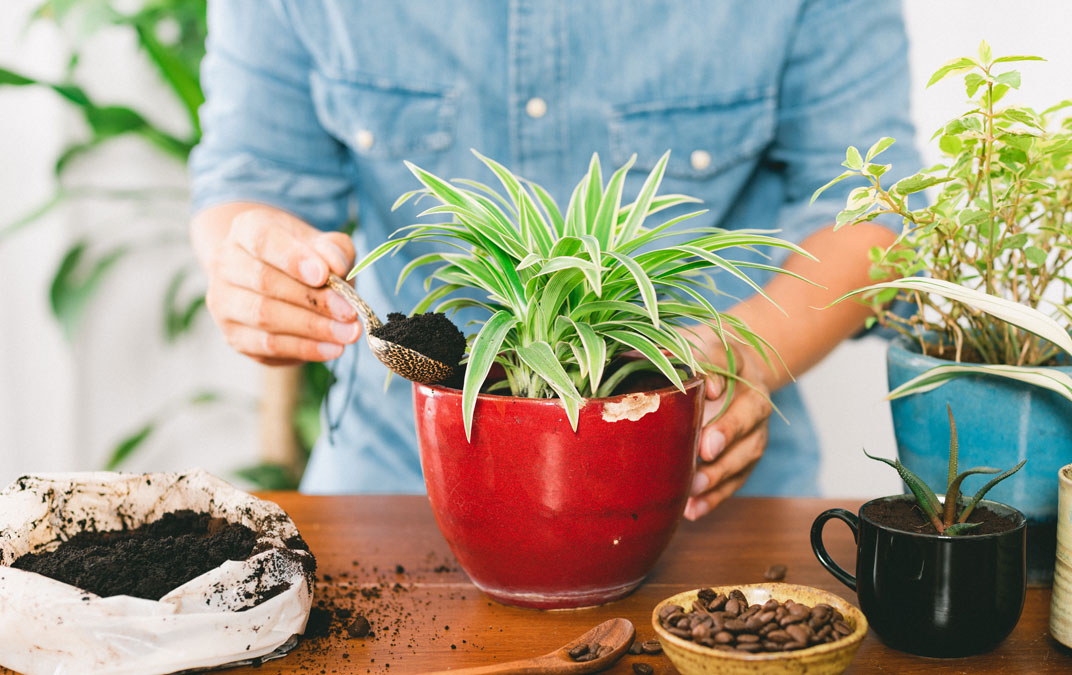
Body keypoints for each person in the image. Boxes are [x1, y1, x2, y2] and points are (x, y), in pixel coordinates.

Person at [189, 0, 920, 518]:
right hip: (396, 487)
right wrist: (258, 267)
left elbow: (870, 216)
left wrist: (744, 354)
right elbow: (251, 177)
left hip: (700, 488)